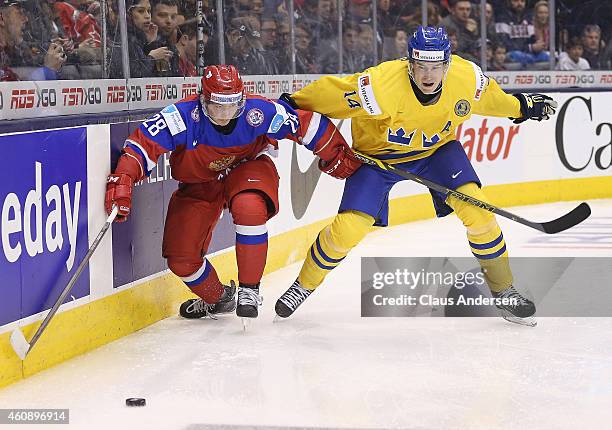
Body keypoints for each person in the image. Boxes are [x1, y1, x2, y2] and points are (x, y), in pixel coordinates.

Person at [276, 26, 558, 327]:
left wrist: (520, 107)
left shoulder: (466, 79)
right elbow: (331, 94)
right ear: (409, 63)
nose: (428, 75)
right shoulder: (379, 87)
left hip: (437, 152)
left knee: (480, 212)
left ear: (447, 65)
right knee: (348, 230)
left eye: (436, 67)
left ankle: (504, 291)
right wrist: (291, 104)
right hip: (378, 160)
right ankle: (303, 285)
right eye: (421, 66)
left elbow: (490, 100)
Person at [105, 64, 360, 320]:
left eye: (232, 104)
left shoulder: (259, 111)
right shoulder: (181, 115)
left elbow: (307, 124)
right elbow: (142, 145)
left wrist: (337, 154)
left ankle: (250, 289)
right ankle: (219, 299)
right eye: (218, 105)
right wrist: (124, 180)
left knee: (249, 206)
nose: (226, 112)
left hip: (248, 166)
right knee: (182, 261)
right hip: (199, 183)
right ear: (203, 99)